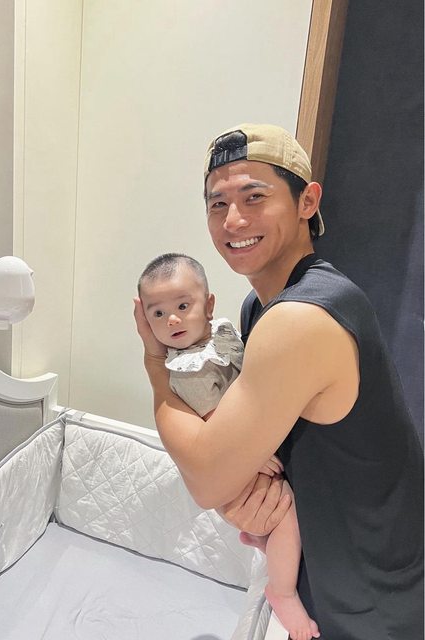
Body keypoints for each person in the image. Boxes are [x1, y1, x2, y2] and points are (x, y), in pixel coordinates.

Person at [133, 124, 423, 640]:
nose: (233, 220)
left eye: (254, 197)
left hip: (373, 591)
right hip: (330, 565)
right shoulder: (260, 306)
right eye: (217, 204)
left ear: (307, 201)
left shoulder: (300, 319)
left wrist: (156, 364)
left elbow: (206, 479)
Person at [137, 252, 320, 639]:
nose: (172, 320)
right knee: (288, 514)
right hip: (238, 461)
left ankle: (264, 539)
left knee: (283, 512)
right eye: (157, 314)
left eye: (182, 306)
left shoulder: (222, 337)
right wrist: (255, 454)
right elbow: (217, 428)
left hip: (253, 448)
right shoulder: (188, 370)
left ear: (209, 306)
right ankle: (283, 591)